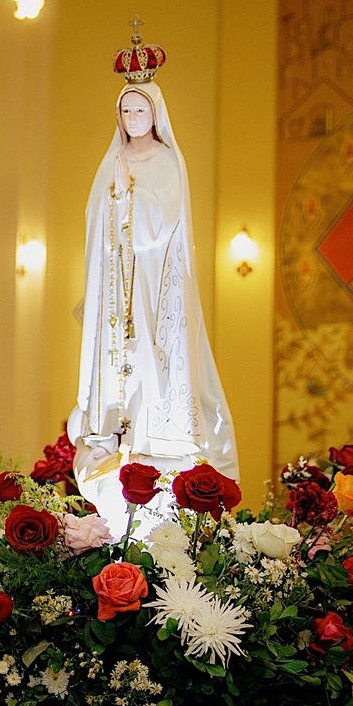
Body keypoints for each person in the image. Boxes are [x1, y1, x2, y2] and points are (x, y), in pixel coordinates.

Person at [70, 30, 238, 540]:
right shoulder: (111, 163)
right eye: (126, 112)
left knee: (153, 366)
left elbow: (160, 225)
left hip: (150, 286)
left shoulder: (166, 162)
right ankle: (109, 443)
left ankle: (157, 447)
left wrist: (131, 197)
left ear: (155, 115)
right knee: (115, 369)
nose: (133, 120)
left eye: (141, 111)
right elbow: (96, 221)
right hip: (114, 286)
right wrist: (114, 199)